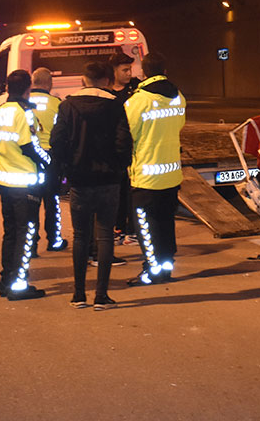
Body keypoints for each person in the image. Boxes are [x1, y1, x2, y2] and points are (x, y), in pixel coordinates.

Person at [50, 61, 132, 310]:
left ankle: (78, 294)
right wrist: (119, 167)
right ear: (106, 81)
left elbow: (57, 141)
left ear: (84, 79)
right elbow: (124, 142)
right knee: (105, 235)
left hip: (80, 180)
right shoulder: (115, 106)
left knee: (80, 236)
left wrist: (66, 169)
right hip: (108, 180)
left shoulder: (67, 106)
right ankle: (101, 296)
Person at [124, 53, 186, 285]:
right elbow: (178, 126)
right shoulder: (178, 97)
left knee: (146, 227)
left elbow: (128, 135)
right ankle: (166, 265)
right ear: (165, 70)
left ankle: (152, 271)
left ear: (143, 72)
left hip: (146, 176)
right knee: (166, 222)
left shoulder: (138, 101)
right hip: (171, 172)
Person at [0, 70, 50, 301]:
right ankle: (19, 285)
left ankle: (7, 280)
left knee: (11, 233)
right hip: (26, 182)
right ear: (28, 88)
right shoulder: (24, 114)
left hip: (5, 181)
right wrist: (49, 161)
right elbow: (29, 146)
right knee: (26, 234)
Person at [29, 67, 67, 251]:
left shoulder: (25, 102)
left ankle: (32, 242)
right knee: (51, 200)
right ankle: (54, 239)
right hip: (51, 157)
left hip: (31, 156)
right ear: (49, 83)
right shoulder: (56, 103)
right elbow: (62, 132)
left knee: (32, 200)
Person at [108, 51, 140, 250]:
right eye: (125, 70)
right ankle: (117, 229)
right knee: (116, 191)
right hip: (113, 150)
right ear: (114, 71)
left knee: (132, 192)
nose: (129, 73)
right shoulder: (107, 93)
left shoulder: (136, 89)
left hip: (134, 148)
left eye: (130, 69)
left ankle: (132, 231)